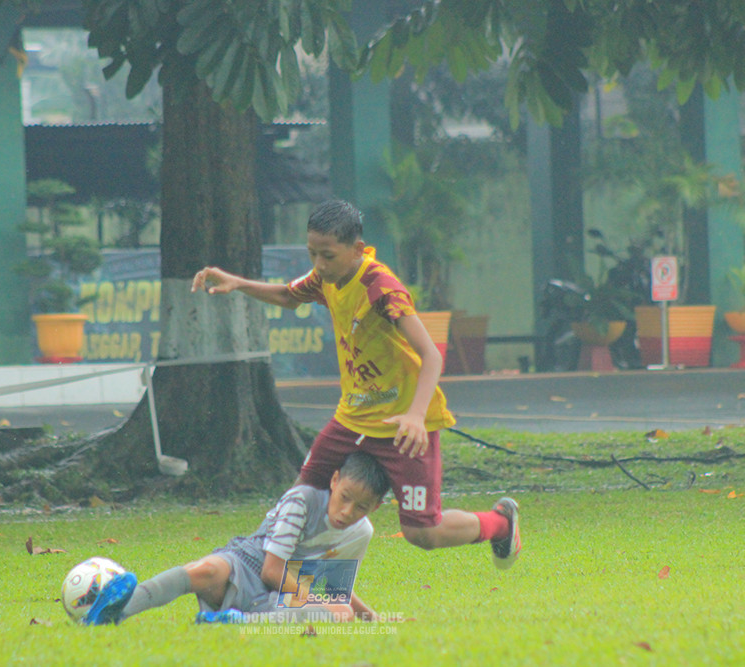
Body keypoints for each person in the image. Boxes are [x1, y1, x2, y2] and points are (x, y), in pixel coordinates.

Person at [191, 199, 521, 564]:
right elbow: (288, 296)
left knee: (422, 532)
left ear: (357, 250)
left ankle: (501, 524)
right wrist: (236, 283)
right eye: (312, 253)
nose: (318, 264)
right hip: (352, 418)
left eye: (327, 255)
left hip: (405, 424)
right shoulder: (326, 277)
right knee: (302, 494)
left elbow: (431, 355)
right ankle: (259, 567)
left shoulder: (382, 289)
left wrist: (414, 417)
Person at [83, 451, 390, 625]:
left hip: (281, 595)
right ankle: (117, 609)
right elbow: (270, 570)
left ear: (376, 507)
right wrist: (316, 596)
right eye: (345, 497)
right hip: (250, 563)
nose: (347, 512)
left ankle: (237, 621)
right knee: (206, 569)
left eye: (361, 507)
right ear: (334, 481)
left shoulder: (361, 533)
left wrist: (371, 617)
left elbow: (330, 587)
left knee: (341, 613)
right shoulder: (302, 501)